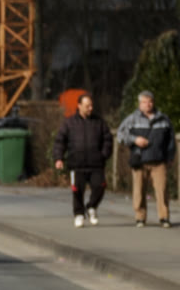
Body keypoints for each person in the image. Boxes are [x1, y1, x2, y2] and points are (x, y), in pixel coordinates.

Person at [52, 91, 112, 227]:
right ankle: (79, 214)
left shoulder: (99, 122)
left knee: (100, 186)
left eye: (91, 105)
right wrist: (59, 158)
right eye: (87, 106)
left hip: (96, 164)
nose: (90, 108)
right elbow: (60, 141)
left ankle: (91, 206)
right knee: (77, 190)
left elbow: (107, 139)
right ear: (79, 106)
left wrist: (103, 155)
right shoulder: (69, 123)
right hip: (76, 163)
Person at [117, 89, 174, 227]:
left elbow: (171, 140)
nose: (148, 104)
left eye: (150, 102)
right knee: (139, 190)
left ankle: (164, 217)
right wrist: (135, 140)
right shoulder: (132, 119)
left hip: (159, 160)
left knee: (162, 190)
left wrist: (170, 157)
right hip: (140, 159)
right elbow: (120, 134)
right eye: (144, 102)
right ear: (139, 104)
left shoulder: (163, 119)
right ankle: (140, 217)